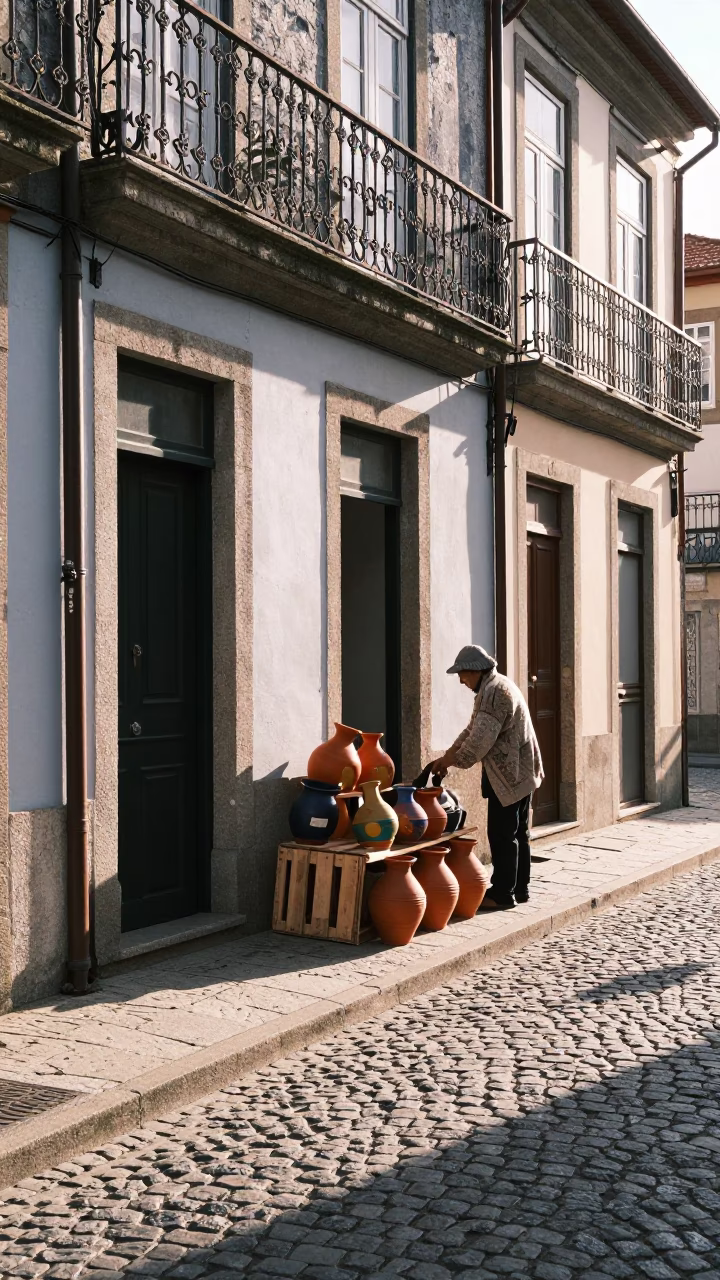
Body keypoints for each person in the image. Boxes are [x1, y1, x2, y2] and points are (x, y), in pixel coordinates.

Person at [431, 644, 543, 909]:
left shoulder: (494, 693)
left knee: (503, 834)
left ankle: (503, 893)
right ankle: (520, 889)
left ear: (476, 671)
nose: (461, 680)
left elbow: (478, 743)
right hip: (521, 771)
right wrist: (446, 756)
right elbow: (472, 728)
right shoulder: (494, 686)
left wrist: (452, 760)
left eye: (463, 674)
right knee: (518, 833)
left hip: (510, 774)